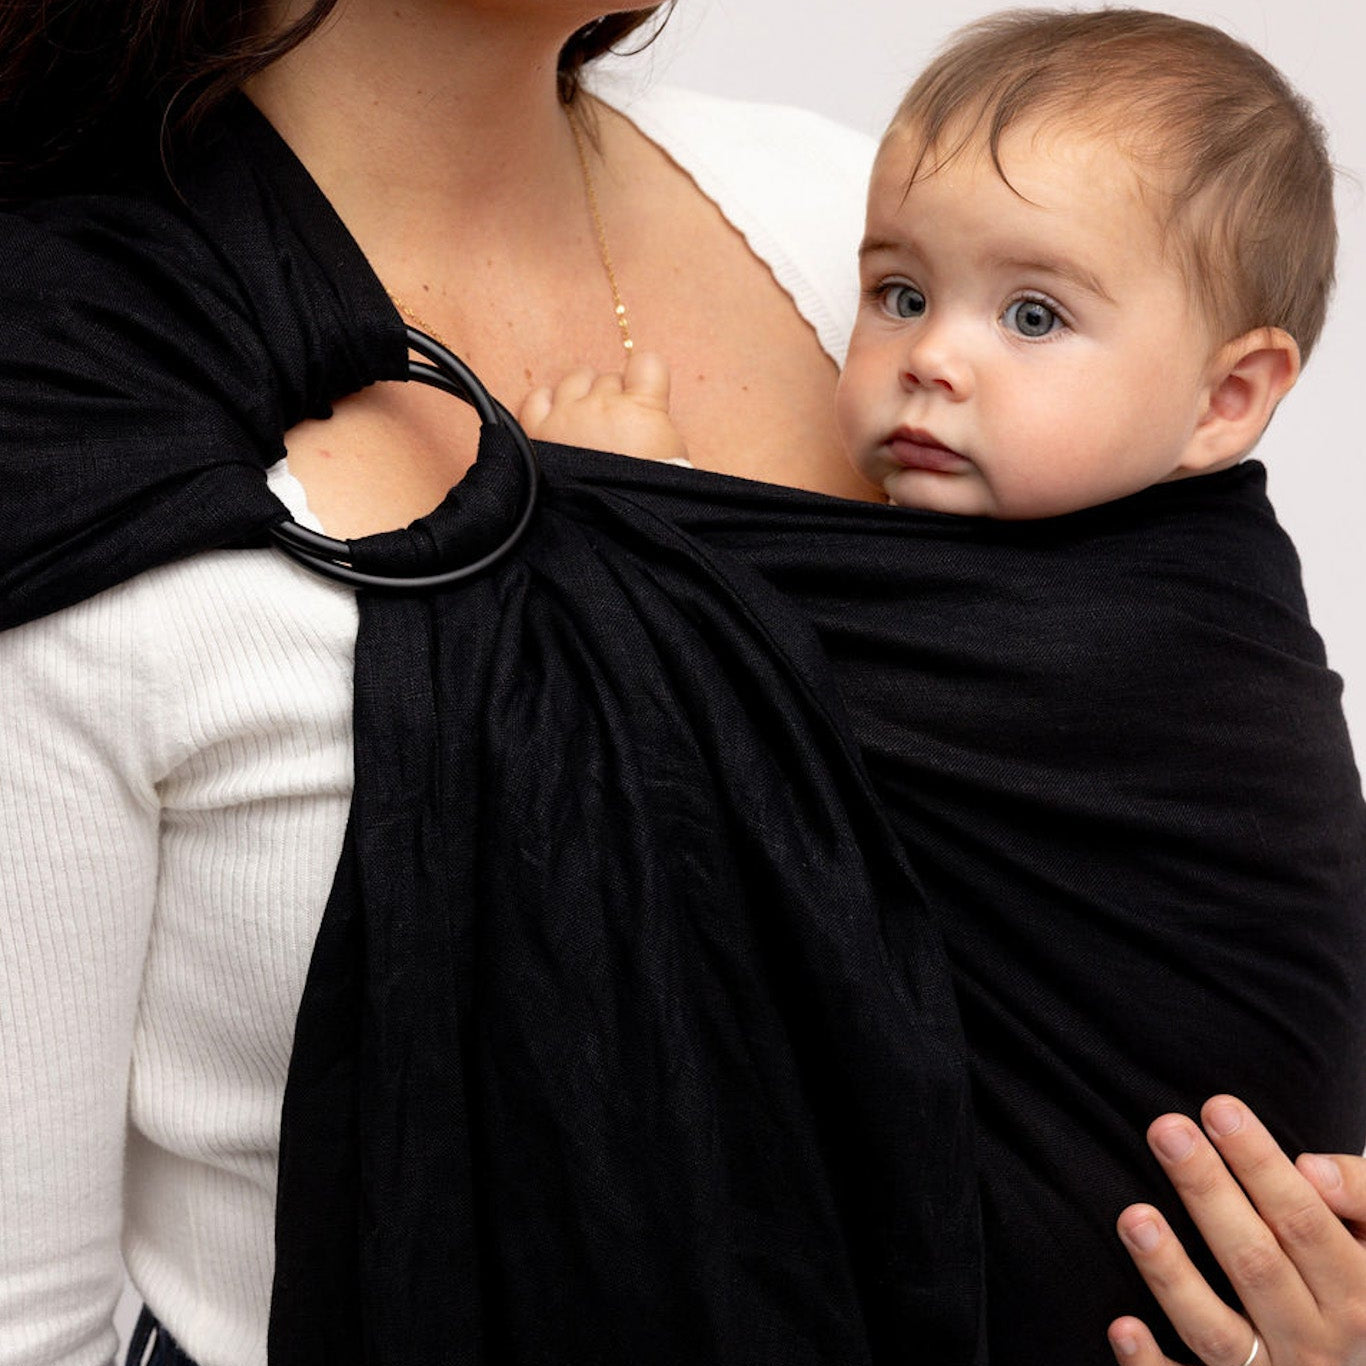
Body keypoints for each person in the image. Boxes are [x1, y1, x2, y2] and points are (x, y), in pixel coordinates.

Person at [1, 4, 1364, 1366]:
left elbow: (1180, 846)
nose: (932, 340)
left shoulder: (873, 219)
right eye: (907, 302)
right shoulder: (68, 399)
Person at [515, 9, 1366, 1365]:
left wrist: (628, 508)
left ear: (1228, 399)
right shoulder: (972, 567)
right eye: (898, 291)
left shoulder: (1170, 640)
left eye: (1032, 315)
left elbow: (720, 676)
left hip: (1174, 1278)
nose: (932, 352)